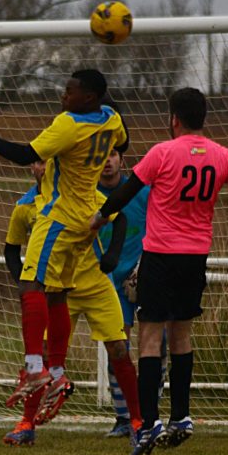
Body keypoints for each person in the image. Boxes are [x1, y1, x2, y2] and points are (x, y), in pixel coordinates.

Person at [91, 87, 228, 455]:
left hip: (160, 256)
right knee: (181, 334)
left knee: (150, 337)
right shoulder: (221, 155)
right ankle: (181, 416)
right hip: (195, 257)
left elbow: (125, 193)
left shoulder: (162, 153)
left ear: (173, 119)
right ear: (203, 117)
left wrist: (100, 217)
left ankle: (149, 422)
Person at [0, 69, 127, 418]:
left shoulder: (68, 124)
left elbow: (23, 154)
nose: (63, 95)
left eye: (70, 91)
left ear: (88, 97)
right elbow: (122, 142)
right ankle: (59, 374)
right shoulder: (111, 118)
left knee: (31, 285)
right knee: (56, 295)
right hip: (85, 217)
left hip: (60, 217)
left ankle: (35, 368)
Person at [1, 162, 142, 446]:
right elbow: (11, 251)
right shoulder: (25, 207)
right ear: (32, 167)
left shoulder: (81, 194)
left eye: (49, 161)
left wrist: (112, 255)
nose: (43, 167)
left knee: (119, 349)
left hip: (95, 284)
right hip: (56, 291)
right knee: (40, 353)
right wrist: (28, 284)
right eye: (39, 161)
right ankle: (26, 424)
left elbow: (118, 217)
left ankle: (138, 423)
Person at [96, 147, 160, 438]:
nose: (107, 161)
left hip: (144, 277)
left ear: (122, 160)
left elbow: (160, 227)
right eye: (101, 156)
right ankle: (124, 417)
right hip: (109, 283)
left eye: (112, 155)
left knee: (156, 345)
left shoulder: (142, 193)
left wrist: (145, 265)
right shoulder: (86, 195)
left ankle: (150, 413)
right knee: (118, 347)